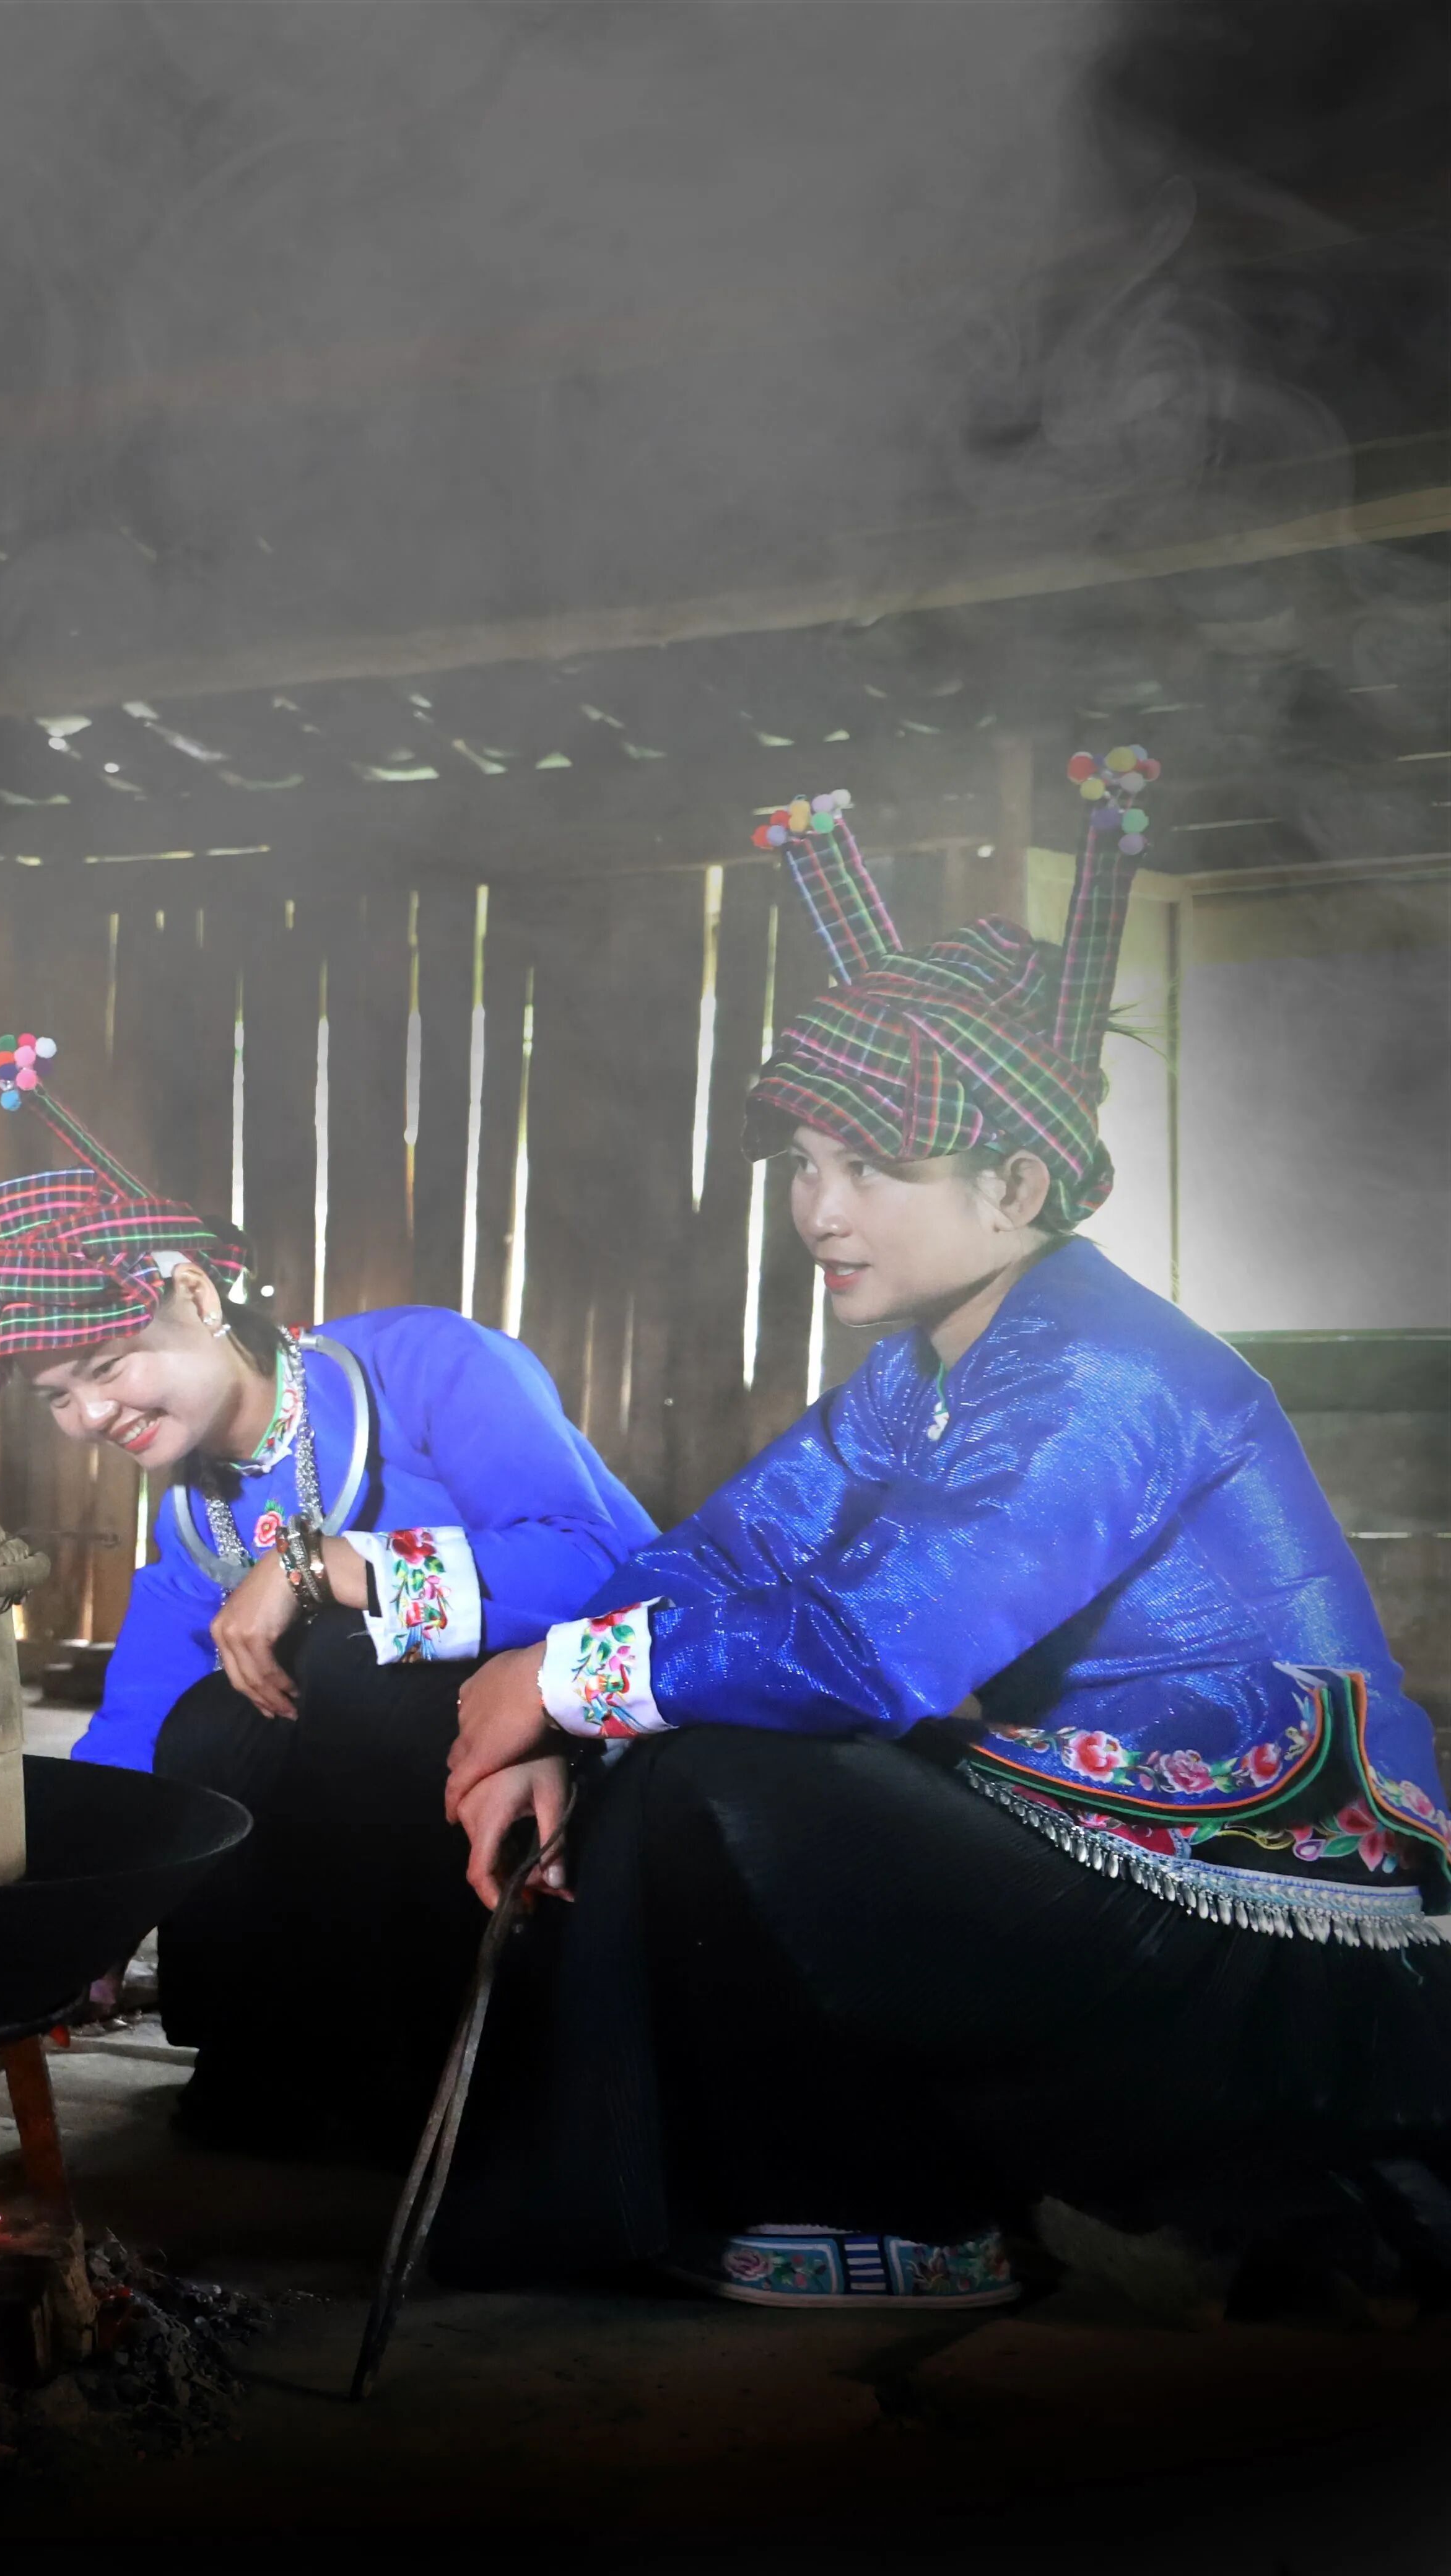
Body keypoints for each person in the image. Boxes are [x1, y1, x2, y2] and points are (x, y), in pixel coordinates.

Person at [436, 764, 1451, 2307]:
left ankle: (910, 2212)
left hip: (1262, 1930)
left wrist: (557, 1680)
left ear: (1016, 1183)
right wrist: (561, 1701)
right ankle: (710, 2194)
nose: (820, 1212)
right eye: (804, 1165)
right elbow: (722, 1555)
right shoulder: (922, 1373)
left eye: (871, 1170)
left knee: (730, 1766)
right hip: (1104, 1847)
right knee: (678, 1723)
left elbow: (874, 1646)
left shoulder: (1104, 1366)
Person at [0, 1038, 653, 2151]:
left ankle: (460, 2078)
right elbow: (137, 1728)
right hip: (395, 1832)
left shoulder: (431, 1367)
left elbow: (602, 1563)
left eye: (109, 1367)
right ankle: (273, 2066)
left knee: (346, 1658)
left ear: (198, 1295)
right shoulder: (196, 1517)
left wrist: (317, 1565)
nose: (91, 1418)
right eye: (58, 1397)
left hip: (576, 1748)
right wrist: (81, 1916)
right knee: (208, 1728)